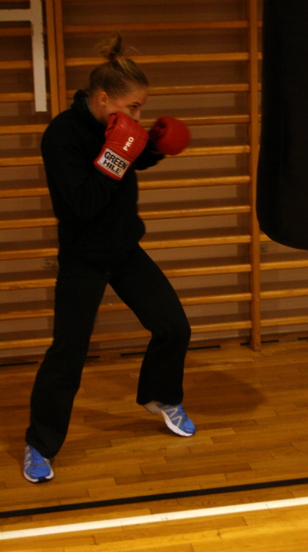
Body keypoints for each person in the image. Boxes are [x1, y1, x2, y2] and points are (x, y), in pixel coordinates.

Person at [23, 34, 195, 484]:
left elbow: (134, 156)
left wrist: (154, 146)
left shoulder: (121, 128)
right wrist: (116, 155)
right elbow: (83, 203)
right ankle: (40, 445)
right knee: (67, 355)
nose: (137, 116)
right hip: (83, 259)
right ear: (102, 98)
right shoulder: (61, 136)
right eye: (133, 107)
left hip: (124, 252)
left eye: (141, 109)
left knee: (174, 326)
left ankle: (160, 396)